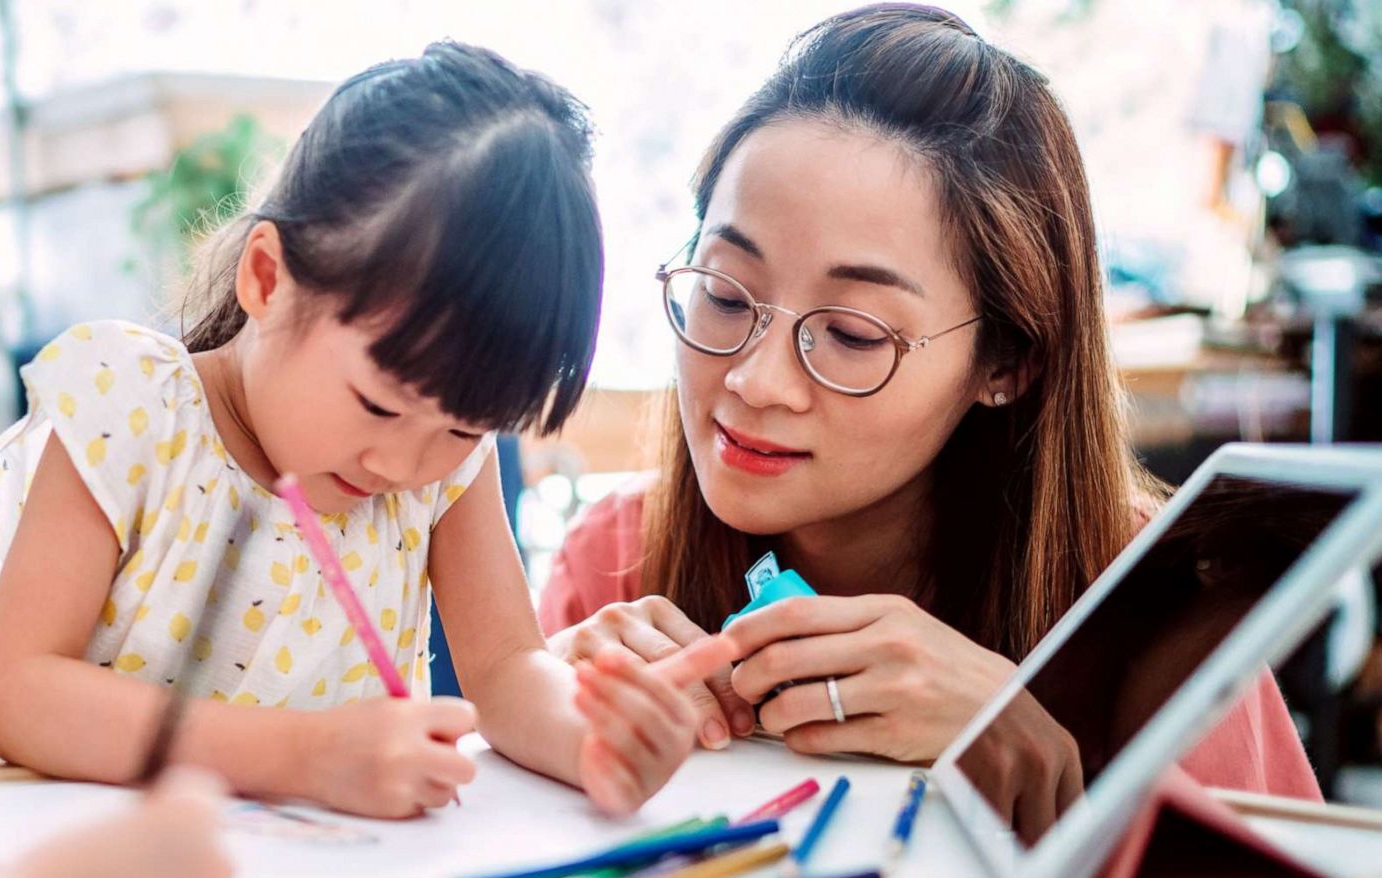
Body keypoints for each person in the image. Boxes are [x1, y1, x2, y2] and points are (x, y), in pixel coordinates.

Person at [541, 4, 1318, 801]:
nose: (754, 381)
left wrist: (1042, 776)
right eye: (726, 296)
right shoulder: (614, 557)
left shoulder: (1147, 596)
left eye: (851, 334)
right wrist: (534, 729)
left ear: (1009, 362)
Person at [0, 41, 734, 820]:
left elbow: (506, 671)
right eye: (380, 405)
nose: (403, 464)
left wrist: (587, 743)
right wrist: (303, 757)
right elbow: (17, 691)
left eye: (466, 428)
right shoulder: (134, 409)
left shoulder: (444, 467)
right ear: (266, 278)